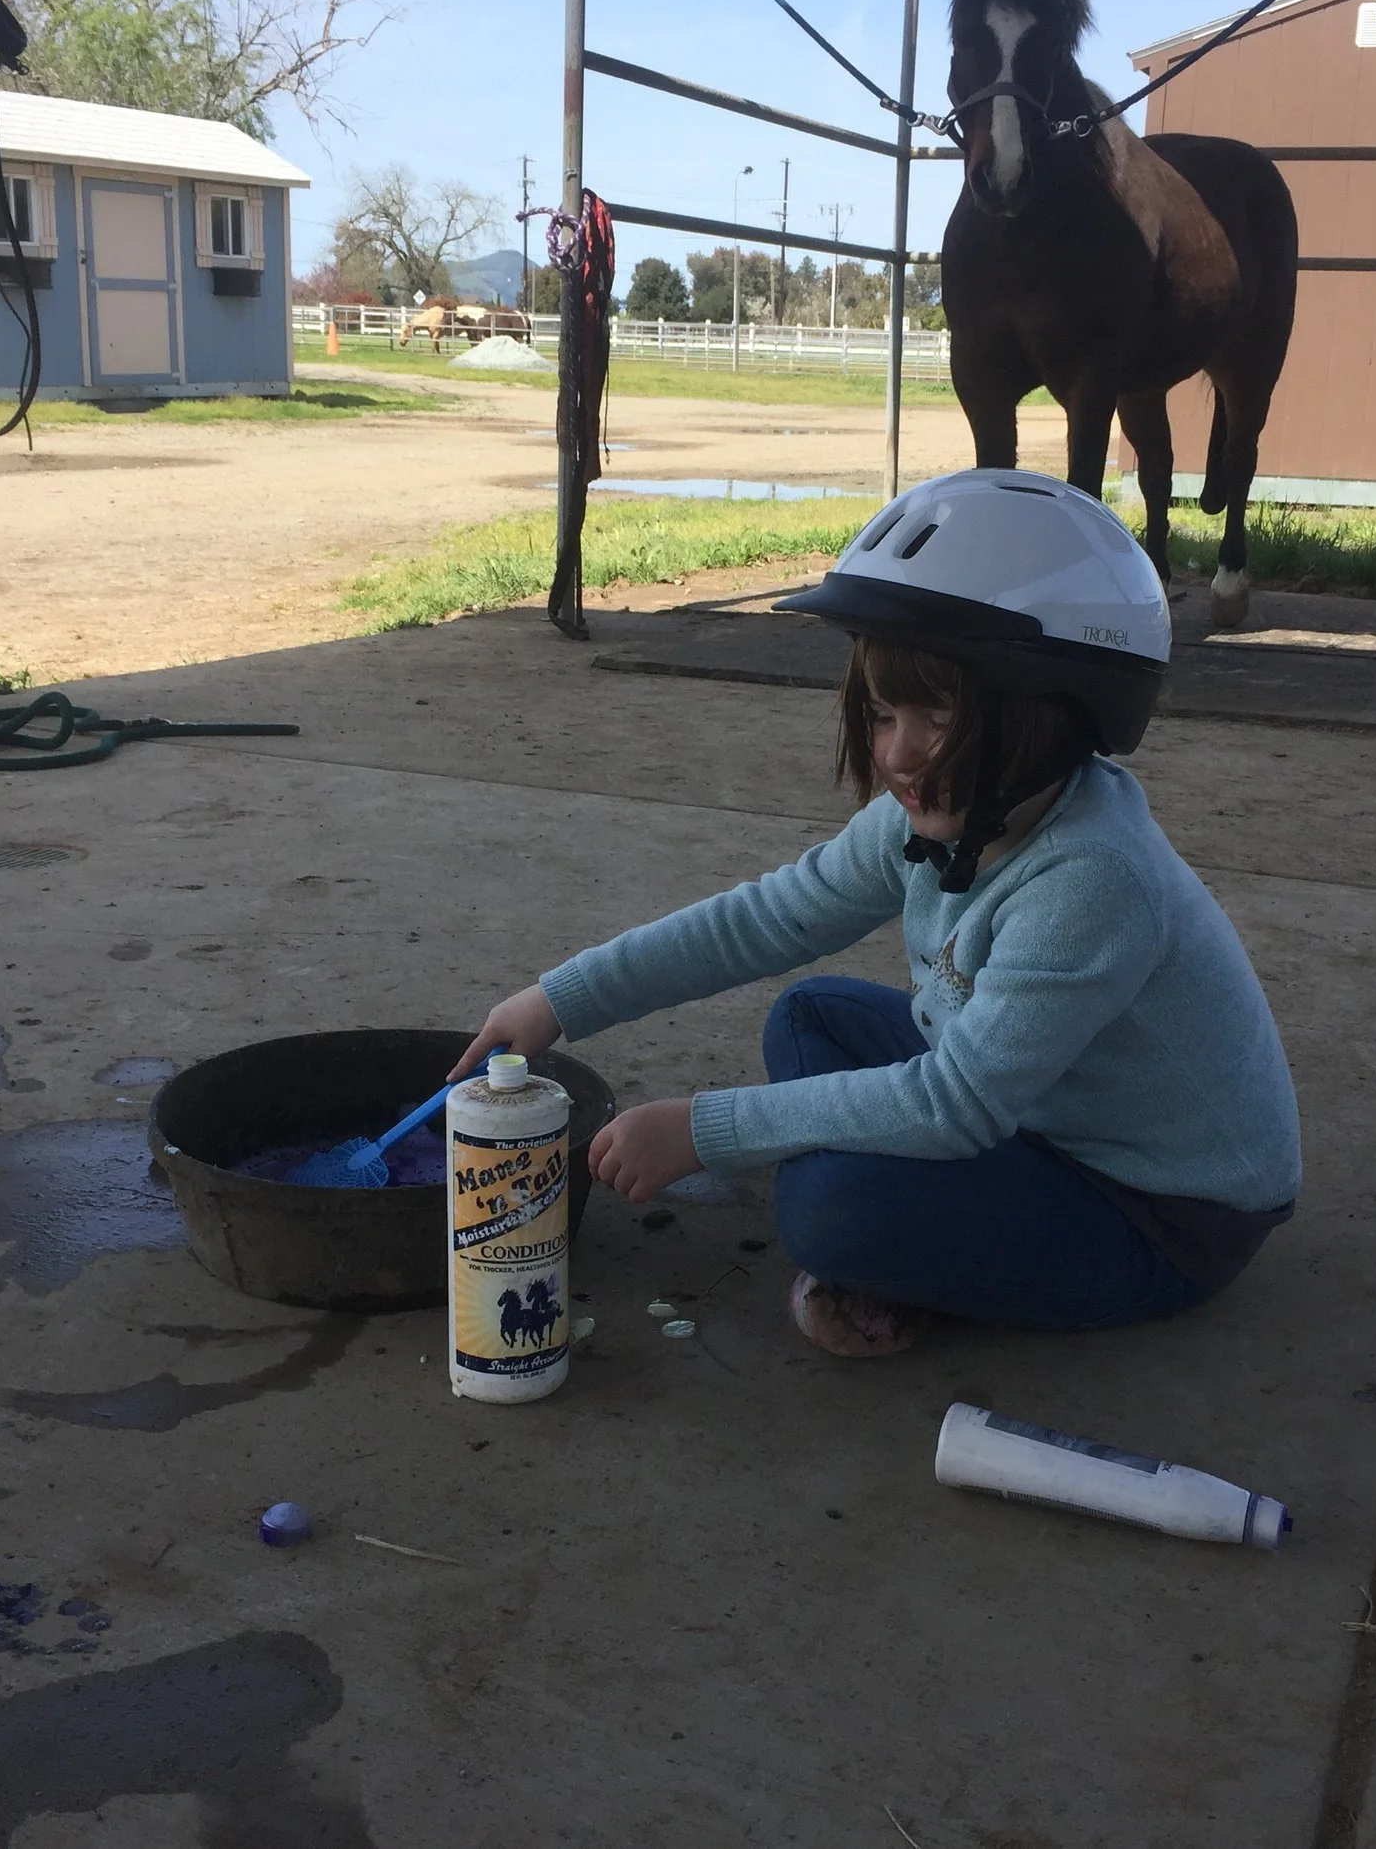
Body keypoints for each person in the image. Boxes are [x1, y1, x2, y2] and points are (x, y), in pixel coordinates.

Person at [456, 468, 1301, 1358]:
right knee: (811, 1014)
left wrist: (706, 1130)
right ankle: (919, 1224)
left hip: (1157, 1210)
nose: (896, 754)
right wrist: (557, 1001)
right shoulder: (939, 813)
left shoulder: (1093, 878)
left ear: (1052, 713)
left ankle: (902, 1257)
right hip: (1039, 1114)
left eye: (937, 715)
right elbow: (770, 918)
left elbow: (957, 1102)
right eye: (880, 711)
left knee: (831, 1217)